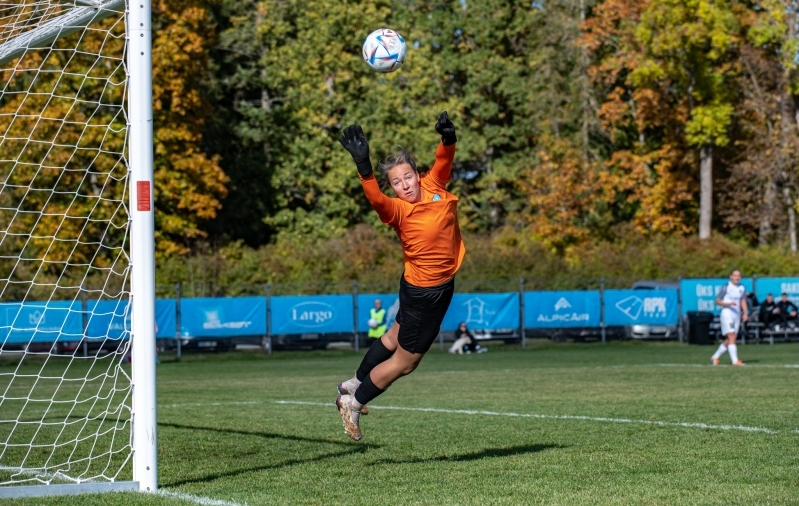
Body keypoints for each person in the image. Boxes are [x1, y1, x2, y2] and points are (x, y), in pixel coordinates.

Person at [334, 112, 464, 440]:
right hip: (423, 293)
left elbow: (443, 161)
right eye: (396, 182)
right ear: (392, 186)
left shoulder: (434, 185)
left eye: (407, 177)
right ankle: (354, 402)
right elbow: (376, 199)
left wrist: (448, 138)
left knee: (393, 337)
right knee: (405, 363)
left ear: (417, 175)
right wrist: (364, 166)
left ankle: (354, 382)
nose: (404, 185)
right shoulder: (398, 210)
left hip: (435, 286)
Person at [711, 268, 748, 366]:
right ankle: (735, 361)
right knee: (731, 336)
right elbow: (717, 300)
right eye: (735, 275)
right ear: (731, 276)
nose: (737, 277)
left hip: (736, 315)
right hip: (727, 313)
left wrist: (745, 313)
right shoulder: (726, 287)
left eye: (738, 276)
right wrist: (726, 304)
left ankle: (715, 357)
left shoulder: (742, 288)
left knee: (731, 339)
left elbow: (743, 300)